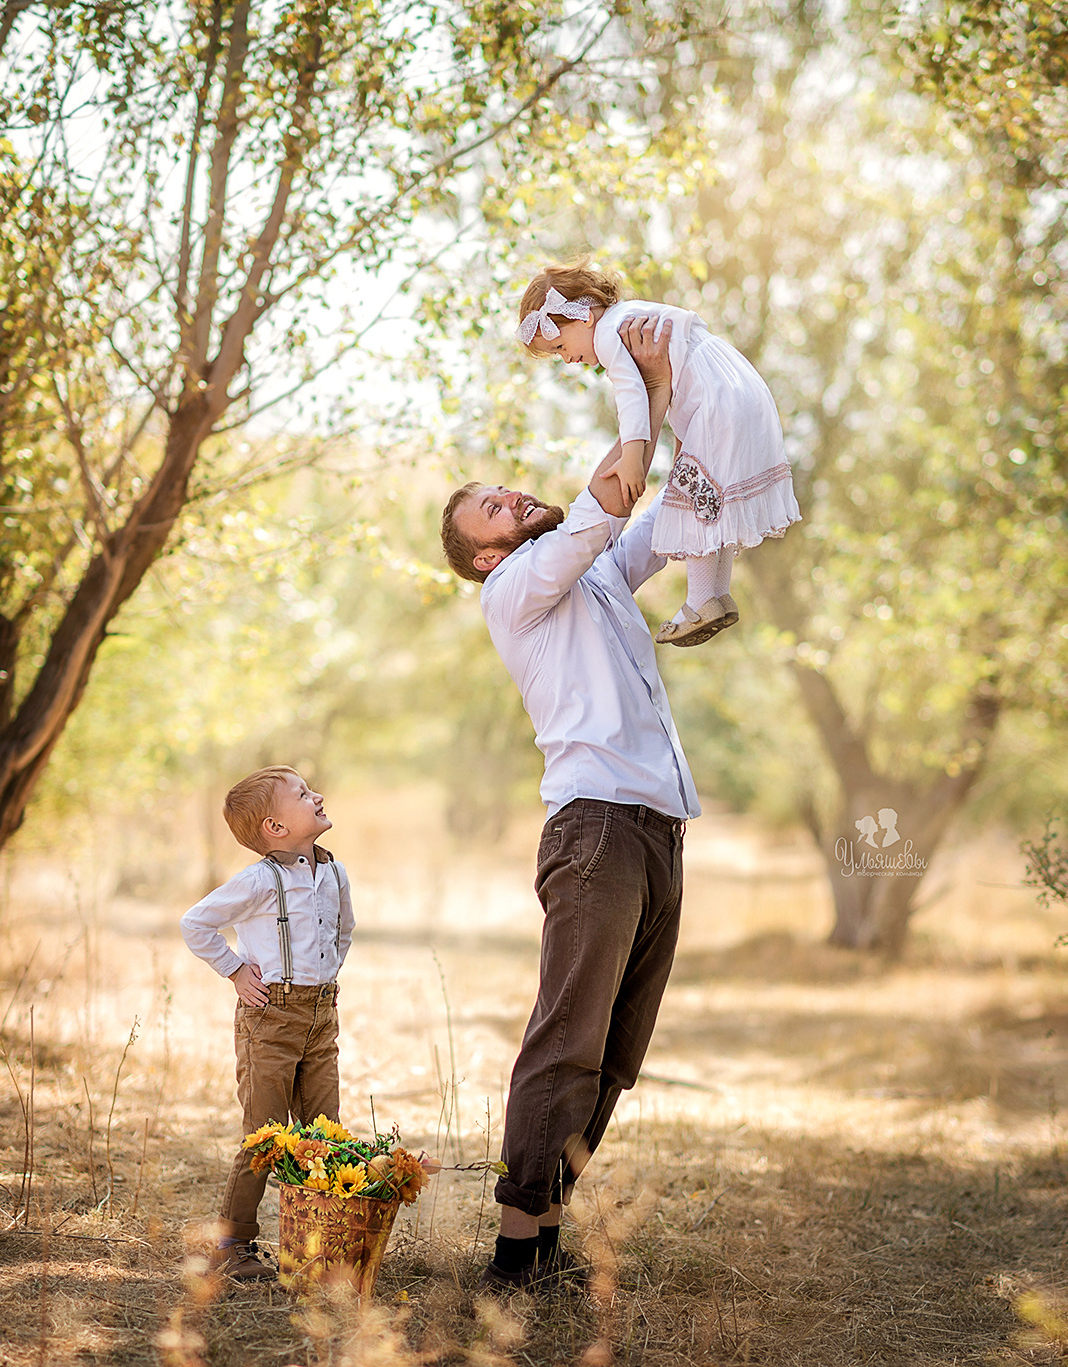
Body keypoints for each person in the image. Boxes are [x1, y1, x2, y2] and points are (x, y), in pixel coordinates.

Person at [439, 316, 696, 1292]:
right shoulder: (514, 591)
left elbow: (659, 509)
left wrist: (670, 394)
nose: (509, 498)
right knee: (567, 1036)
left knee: (619, 1047)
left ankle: (547, 1223)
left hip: (656, 826)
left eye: (500, 491)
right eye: (490, 512)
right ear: (484, 557)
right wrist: (628, 377)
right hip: (593, 827)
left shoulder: (591, 575)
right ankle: (514, 1254)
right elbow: (614, 489)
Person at [515, 258, 799, 646]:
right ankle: (715, 594)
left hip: (713, 402)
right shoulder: (631, 315)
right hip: (738, 388)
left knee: (693, 492)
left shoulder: (611, 332)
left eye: (561, 346)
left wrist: (632, 457)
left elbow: (632, 395)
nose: (567, 359)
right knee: (709, 495)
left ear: (581, 316)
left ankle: (700, 600)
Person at [179, 766, 353, 1282]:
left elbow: (343, 931)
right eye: (303, 794)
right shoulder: (259, 881)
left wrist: (323, 979)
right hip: (270, 1020)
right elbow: (196, 923)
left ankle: (318, 1242)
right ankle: (233, 1243)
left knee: (326, 1132)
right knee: (265, 1136)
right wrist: (234, 970)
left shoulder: (333, 872)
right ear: (276, 828)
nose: (317, 795)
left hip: (321, 1014)